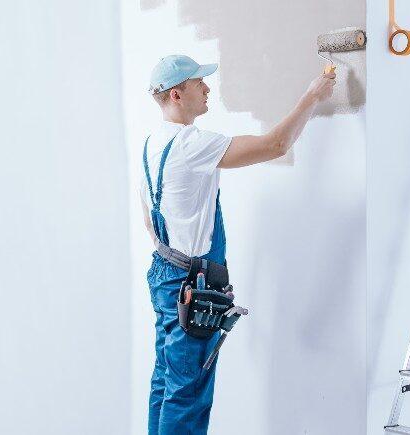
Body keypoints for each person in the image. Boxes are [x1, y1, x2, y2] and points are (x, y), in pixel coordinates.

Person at [141, 55, 335, 435]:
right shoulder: (190, 144)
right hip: (191, 283)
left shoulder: (153, 144)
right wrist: (312, 96)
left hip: (166, 274)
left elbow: (149, 220)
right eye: (200, 84)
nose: (208, 89)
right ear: (178, 95)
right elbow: (276, 145)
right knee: (188, 392)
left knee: (166, 382)